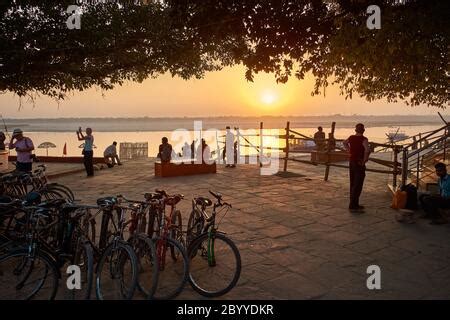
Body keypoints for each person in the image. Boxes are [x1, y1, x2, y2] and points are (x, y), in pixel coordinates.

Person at [343, 123, 370, 212]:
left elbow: (344, 143)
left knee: (353, 182)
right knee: (358, 184)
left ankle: (354, 203)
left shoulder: (351, 137)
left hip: (352, 161)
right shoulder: (364, 139)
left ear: (355, 130)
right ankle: (353, 205)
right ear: (363, 130)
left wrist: (349, 151)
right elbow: (367, 150)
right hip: (359, 162)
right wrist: (365, 160)